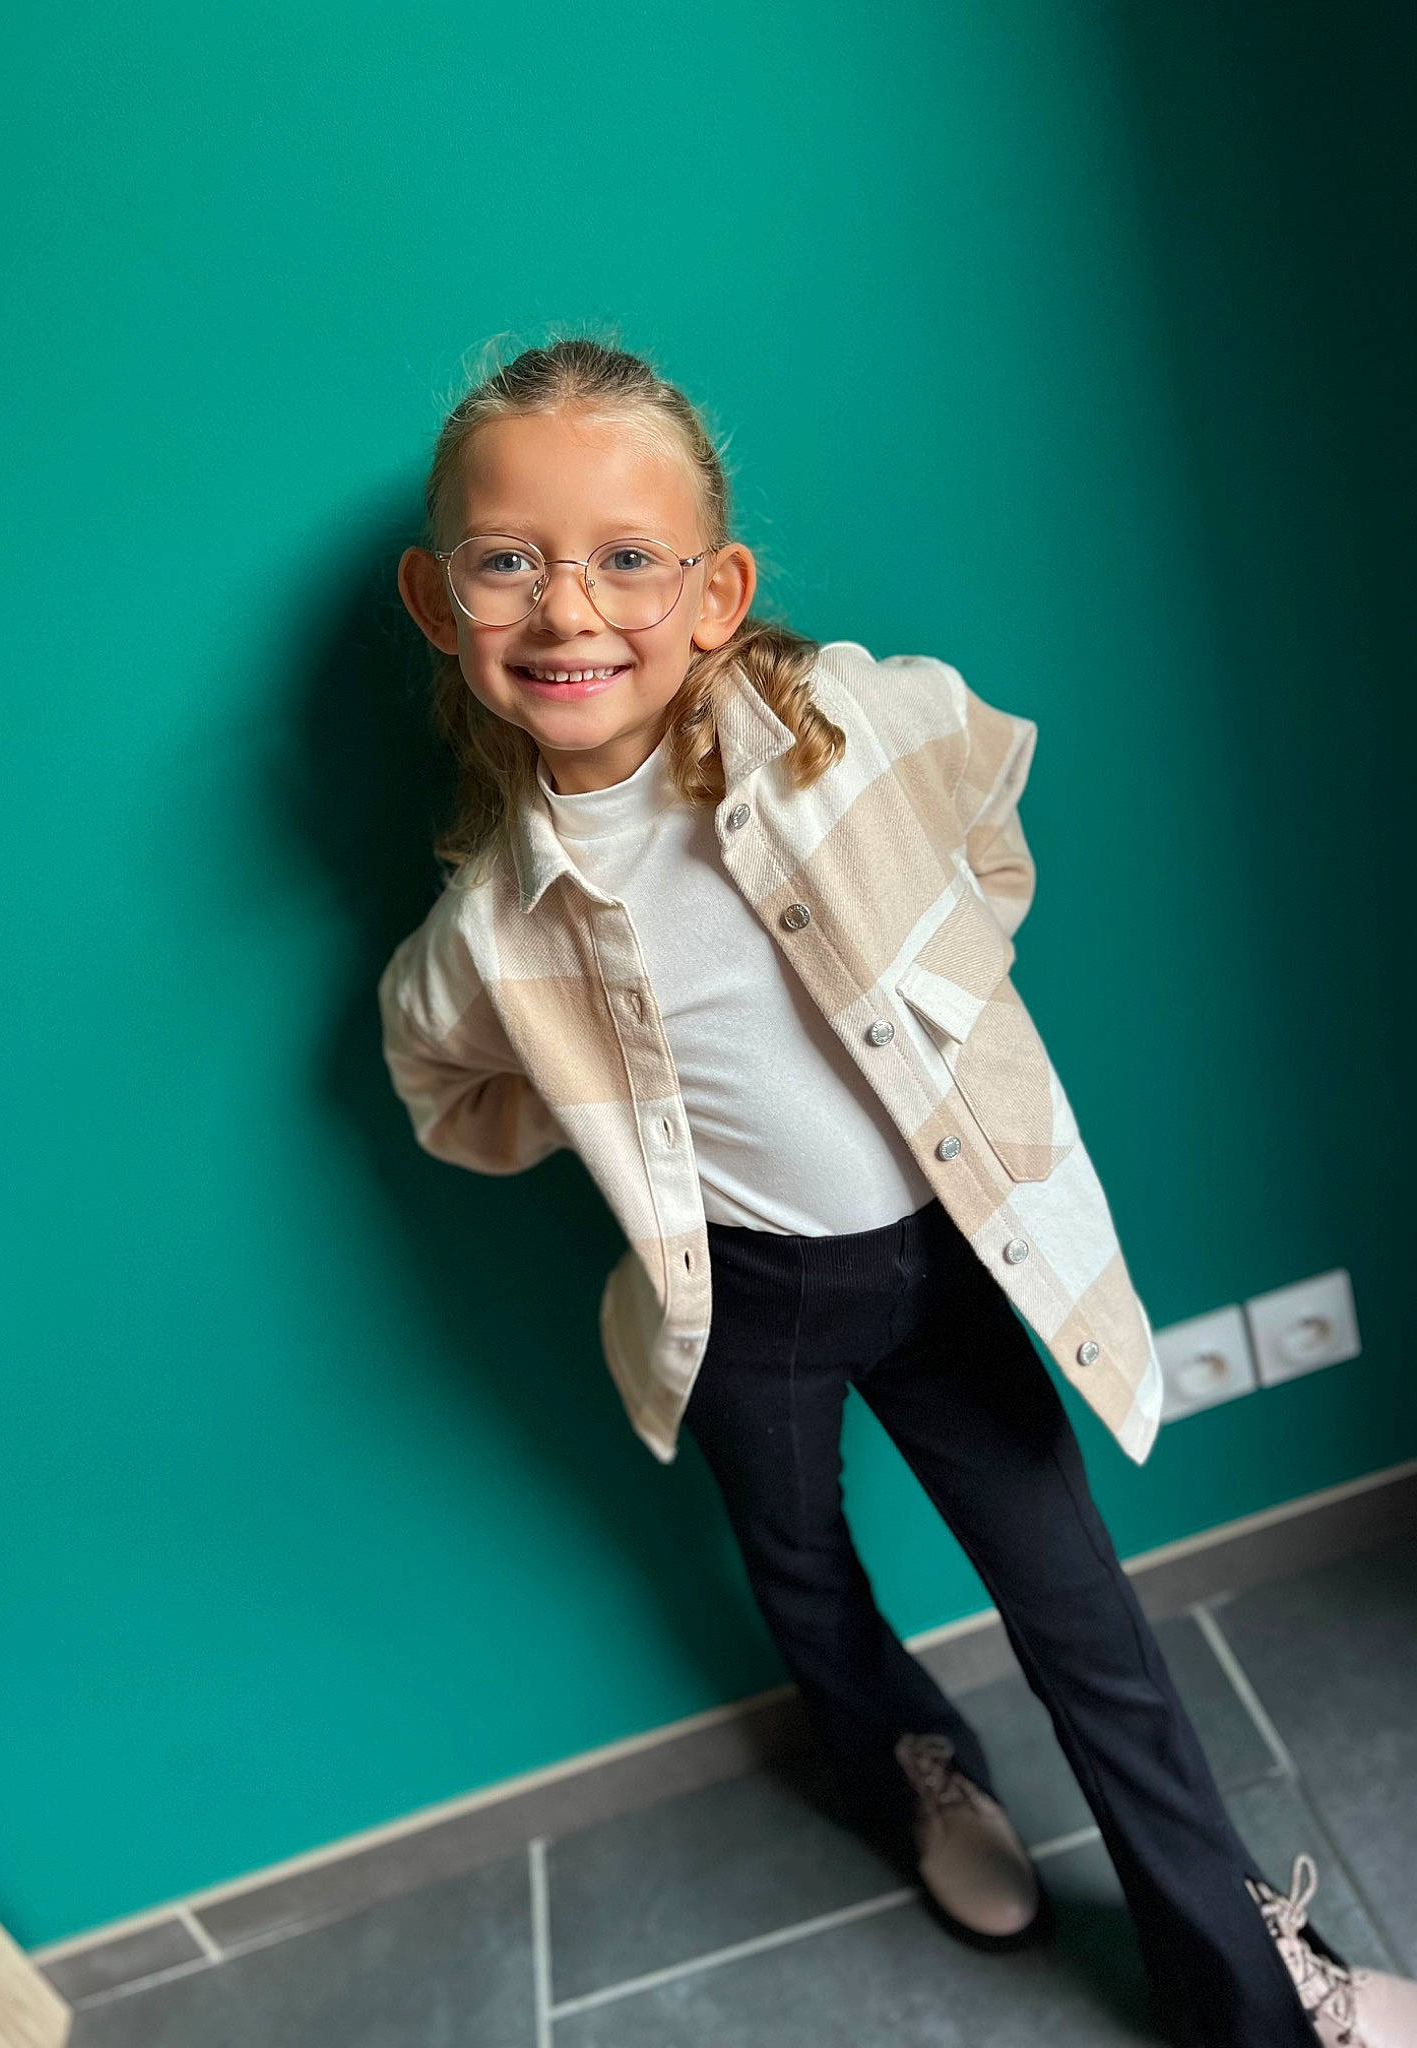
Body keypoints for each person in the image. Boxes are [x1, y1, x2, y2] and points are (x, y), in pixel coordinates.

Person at [377, 335, 1414, 2048]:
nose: (569, 610)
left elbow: (989, 797)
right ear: (440, 599)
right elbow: (441, 1087)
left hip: (946, 1266)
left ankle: (1251, 1994)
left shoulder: (850, 723)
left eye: (629, 558)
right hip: (745, 1302)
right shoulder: (495, 927)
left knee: (1085, 1622)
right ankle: (909, 1772)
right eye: (510, 560)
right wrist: (622, 1125)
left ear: (716, 595)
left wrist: (950, 984)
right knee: (800, 1568)